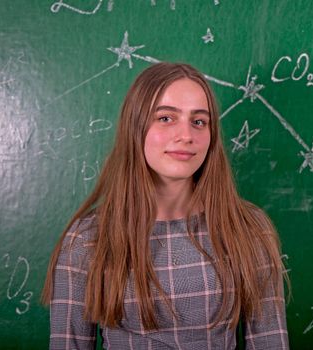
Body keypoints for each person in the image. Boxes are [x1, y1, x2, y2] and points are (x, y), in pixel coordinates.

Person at [42, 62, 289, 349]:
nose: (186, 135)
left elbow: (271, 341)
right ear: (136, 126)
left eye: (199, 121)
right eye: (166, 118)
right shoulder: (87, 238)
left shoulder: (248, 228)